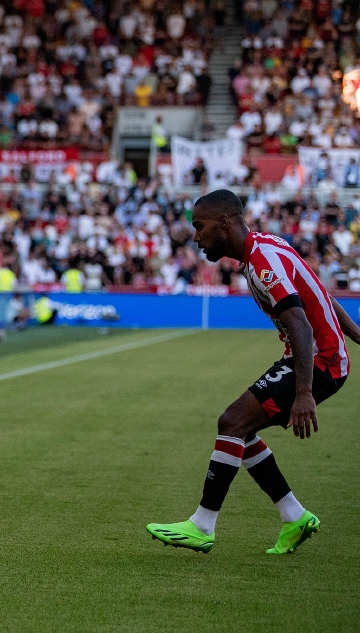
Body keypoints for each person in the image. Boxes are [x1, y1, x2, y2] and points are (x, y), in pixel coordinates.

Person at [147, 190, 360, 554]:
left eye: (199, 226)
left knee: (232, 422)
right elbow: (318, 292)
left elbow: (301, 325)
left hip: (319, 361)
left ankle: (202, 525)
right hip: (313, 357)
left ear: (223, 223)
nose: (195, 237)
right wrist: (356, 335)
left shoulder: (262, 261)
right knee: (238, 429)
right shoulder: (264, 248)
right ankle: (294, 516)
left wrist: (304, 392)